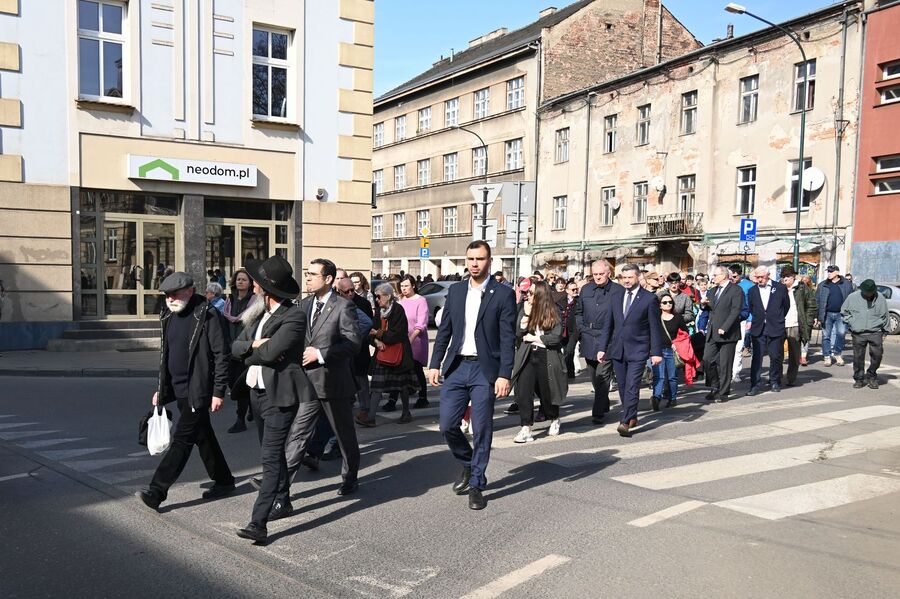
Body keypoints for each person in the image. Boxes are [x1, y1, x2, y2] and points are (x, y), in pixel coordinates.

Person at [252, 259, 362, 501]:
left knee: (344, 436)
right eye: (307, 273)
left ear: (329, 279)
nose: (308, 278)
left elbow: (353, 343)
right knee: (298, 434)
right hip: (307, 383)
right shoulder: (303, 304)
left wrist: (320, 354)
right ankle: (279, 484)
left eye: (313, 274)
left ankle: (350, 477)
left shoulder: (343, 306)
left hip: (334, 383)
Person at [229, 255, 315, 543]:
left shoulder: (294, 315)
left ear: (267, 289)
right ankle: (283, 500)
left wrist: (254, 351)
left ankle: (258, 523)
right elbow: (235, 346)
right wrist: (255, 344)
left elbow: (270, 353)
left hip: (280, 395)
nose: (252, 286)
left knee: (269, 458)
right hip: (256, 393)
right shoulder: (258, 313)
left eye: (256, 283)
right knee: (275, 454)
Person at [428, 240, 516, 510]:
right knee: (447, 425)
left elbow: (507, 338)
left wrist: (504, 374)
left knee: (481, 428)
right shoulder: (455, 291)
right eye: (470, 259)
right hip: (456, 366)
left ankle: (477, 484)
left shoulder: (503, 294)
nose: (474, 264)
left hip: (484, 369)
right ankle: (469, 463)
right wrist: (435, 363)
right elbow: (444, 331)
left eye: (480, 259)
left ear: (489, 261)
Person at [136, 272, 235, 512]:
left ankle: (157, 491)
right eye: (166, 295)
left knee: (182, 440)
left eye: (174, 294)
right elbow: (166, 355)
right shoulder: (168, 314)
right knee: (203, 435)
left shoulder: (207, 314)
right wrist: (161, 389)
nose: (170, 298)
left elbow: (222, 355)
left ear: (189, 291)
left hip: (198, 390)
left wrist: (218, 391)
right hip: (179, 389)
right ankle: (224, 480)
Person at [597, 263, 663, 438]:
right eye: (624, 277)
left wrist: (656, 352)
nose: (626, 281)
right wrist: (602, 348)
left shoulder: (649, 298)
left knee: (632, 385)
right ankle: (632, 415)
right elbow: (608, 325)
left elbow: (655, 327)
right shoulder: (616, 296)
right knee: (623, 386)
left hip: (638, 349)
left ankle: (625, 421)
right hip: (618, 349)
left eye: (630, 277)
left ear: (638, 277)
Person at [510, 280, 567, 442]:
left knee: (546, 393)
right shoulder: (525, 308)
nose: (527, 295)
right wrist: (527, 315)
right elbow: (519, 334)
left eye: (531, 293)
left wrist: (535, 338)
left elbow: (555, 338)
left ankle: (554, 417)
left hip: (546, 356)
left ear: (541, 295)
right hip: (528, 355)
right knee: (524, 392)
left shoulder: (554, 311)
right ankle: (526, 427)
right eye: (527, 293)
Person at [575, 259, 622, 425]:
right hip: (588, 337)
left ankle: (598, 412)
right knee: (595, 378)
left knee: (602, 376)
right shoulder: (586, 289)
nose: (598, 277)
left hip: (607, 339)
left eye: (601, 274)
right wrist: (581, 328)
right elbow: (578, 312)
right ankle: (603, 402)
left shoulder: (618, 290)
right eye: (595, 274)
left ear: (609, 273)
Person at [368, 282, 419, 424]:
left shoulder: (398, 310)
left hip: (399, 354)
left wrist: (378, 334)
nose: (377, 299)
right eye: (376, 296)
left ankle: (406, 413)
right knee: (376, 386)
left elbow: (397, 334)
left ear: (388, 296)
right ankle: (370, 418)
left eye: (379, 296)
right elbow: (370, 333)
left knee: (402, 386)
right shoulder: (378, 311)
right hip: (382, 354)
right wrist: (376, 341)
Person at [223, 268, 260, 433]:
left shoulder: (254, 301)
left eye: (244, 279)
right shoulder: (229, 301)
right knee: (232, 382)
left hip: (246, 349)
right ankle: (252, 407)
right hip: (231, 348)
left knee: (242, 384)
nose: (240, 282)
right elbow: (225, 323)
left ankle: (240, 420)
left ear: (250, 283)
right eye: (238, 279)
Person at [746, 266, 790, 395]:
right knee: (757, 357)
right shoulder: (752, 290)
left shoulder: (780, 288)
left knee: (775, 356)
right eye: (757, 277)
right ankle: (755, 384)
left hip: (775, 326)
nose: (760, 279)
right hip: (758, 327)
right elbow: (751, 307)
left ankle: (774, 381)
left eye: (762, 277)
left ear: (768, 275)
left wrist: (777, 317)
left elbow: (786, 306)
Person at [703, 266, 745, 402]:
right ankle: (715, 386)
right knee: (707, 359)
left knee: (725, 364)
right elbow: (710, 308)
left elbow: (736, 310)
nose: (713, 278)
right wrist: (703, 304)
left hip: (728, 333)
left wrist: (725, 327)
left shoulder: (736, 290)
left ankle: (723, 392)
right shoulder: (712, 290)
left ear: (724, 276)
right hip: (712, 331)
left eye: (715, 275)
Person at [841, 279, 889, 389]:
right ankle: (859, 378)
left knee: (877, 355)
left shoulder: (880, 298)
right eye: (867, 292)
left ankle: (871, 375)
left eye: (871, 292)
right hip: (858, 332)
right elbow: (844, 311)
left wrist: (885, 331)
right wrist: (852, 322)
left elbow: (885, 315)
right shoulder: (852, 297)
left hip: (876, 331)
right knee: (858, 357)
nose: (869, 294)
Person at [397, 275, 430, 409]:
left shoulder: (421, 301)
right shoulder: (400, 300)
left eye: (406, 286)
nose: (404, 288)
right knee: (400, 369)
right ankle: (395, 398)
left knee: (416, 368)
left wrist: (411, 339)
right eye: (402, 286)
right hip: (401, 340)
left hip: (416, 341)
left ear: (413, 286)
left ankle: (423, 397)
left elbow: (422, 323)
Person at [781, 266, 817, 387]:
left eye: (787, 276)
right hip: (780, 324)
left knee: (794, 353)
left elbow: (811, 305)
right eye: (783, 277)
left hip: (795, 324)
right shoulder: (780, 288)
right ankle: (776, 376)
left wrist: (808, 322)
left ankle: (791, 378)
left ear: (793, 276)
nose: (785, 279)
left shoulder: (802, 288)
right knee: (777, 353)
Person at [652, 293, 688, 411]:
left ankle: (672, 398)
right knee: (659, 376)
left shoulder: (678, 317)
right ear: (660, 305)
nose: (668, 304)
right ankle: (656, 397)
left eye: (670, 302)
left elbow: (685, 334)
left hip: (672, 351)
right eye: (665, 302)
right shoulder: (655, 317)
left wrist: (677, 343)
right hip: (658, 351)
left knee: (672, 377)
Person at [815, 265, 854, 366]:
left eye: (831, 271)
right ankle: (827, 356)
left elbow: (851, 299)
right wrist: (817, 316)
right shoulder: (822, 285)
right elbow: (817, 301)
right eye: (828, 271)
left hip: (841, 314)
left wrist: (851, 313)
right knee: (826, 336)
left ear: (837, 272)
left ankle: (837, 354)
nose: (829, 273)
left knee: (841, 334)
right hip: (826, 314)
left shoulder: (846, 284)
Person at [730, 266, 754, 382]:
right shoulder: (727, 285)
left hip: (742, 319)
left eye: (735, 277)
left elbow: (751, 304)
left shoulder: (749, 286)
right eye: (731, 276)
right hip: (727, 319)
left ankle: (736, 372)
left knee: (738, 348)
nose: (732, 279)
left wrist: (750, 319)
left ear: (740, 275)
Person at [562, 280, 580, 379]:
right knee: (565, 351)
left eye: (576, 289)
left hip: (574, 331)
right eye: (573, 289)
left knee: (570, 350)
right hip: (564, 330)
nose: (575, 291)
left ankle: (569, 373)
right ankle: (569, 372)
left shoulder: (579, 301)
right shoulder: (562, 301)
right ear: (567, 290)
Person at [799, 275, 815, 366]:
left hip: (807, 318)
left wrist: (814, 317)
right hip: (797, 318)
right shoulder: (796, 291)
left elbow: (813, 306)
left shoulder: (811, 291)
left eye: (806, 281)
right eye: (802, 280)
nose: (804, 282)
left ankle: (803, 356)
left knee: (805, 337)